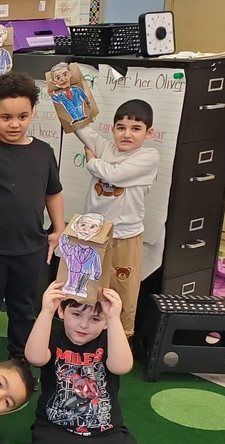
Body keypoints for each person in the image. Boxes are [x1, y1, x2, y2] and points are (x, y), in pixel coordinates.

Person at [0, 72, 65, 371]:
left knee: (24, 309)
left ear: (32, 113)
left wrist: (59, 229)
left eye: (22, 117)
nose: (14, 124)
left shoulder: (43, 152)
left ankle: (21, 361)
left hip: (30, 248)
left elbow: (53, 193)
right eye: (6, 117)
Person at [25, 282, 157, 444]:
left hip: (105, 432)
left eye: (96, 319)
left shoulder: (109, 339)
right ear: (61, 311)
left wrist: (113, 318)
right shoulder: (53, 336)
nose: (84, 325)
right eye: (76, 314)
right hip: (57, 430)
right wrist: (46, 311)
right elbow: (35, 358)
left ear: (105, 322)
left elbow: (121, 366)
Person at [71, 99, 159, 336]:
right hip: (93, 235)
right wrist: (66, 95)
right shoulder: (106, 148)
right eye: (121, 127)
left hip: (124, 237)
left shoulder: (148, 156)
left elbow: (115, 175)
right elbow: (82, 129)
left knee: (121, 290)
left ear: (149, 133)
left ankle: (121, 336)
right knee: (89, 288)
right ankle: (87, 334)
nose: (127, 134)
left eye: (136, 128)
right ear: (112, 129)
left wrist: (91, 162)